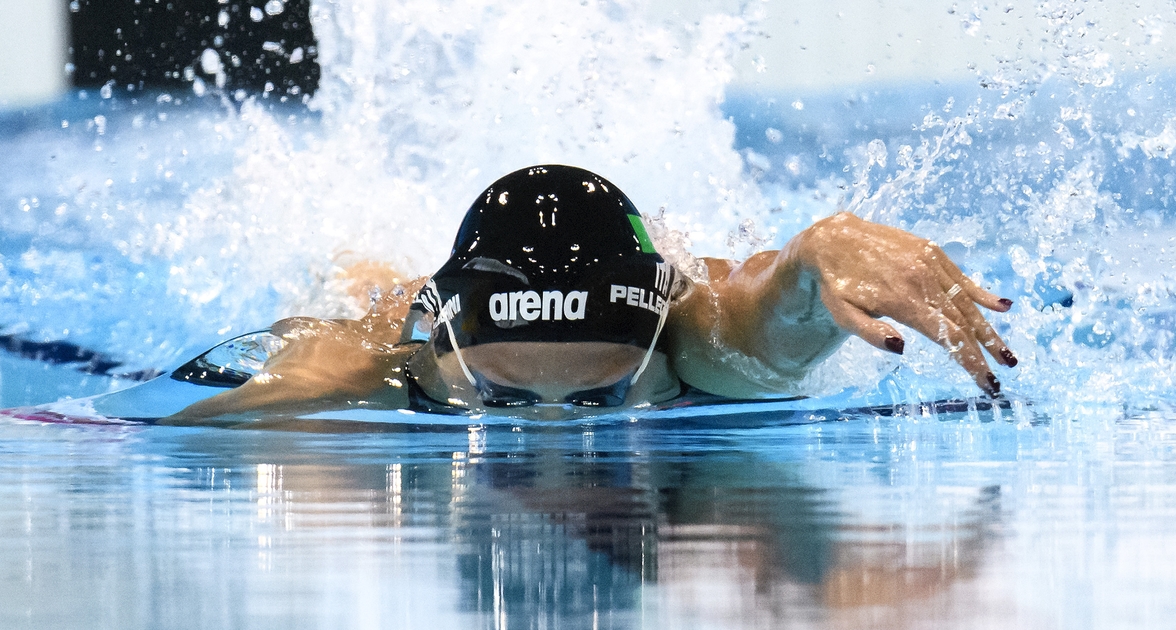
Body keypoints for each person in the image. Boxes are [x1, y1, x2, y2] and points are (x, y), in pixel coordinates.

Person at [162, 164, 1016, 424]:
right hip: (408, 309)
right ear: (444, 349)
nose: (551, 436)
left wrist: (818, 253)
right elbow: (131, 426)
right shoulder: (370, 365)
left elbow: (777, 314)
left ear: (658, 347)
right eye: (501, 398)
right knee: (367, 286)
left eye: (599, 397)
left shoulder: (698, 339)